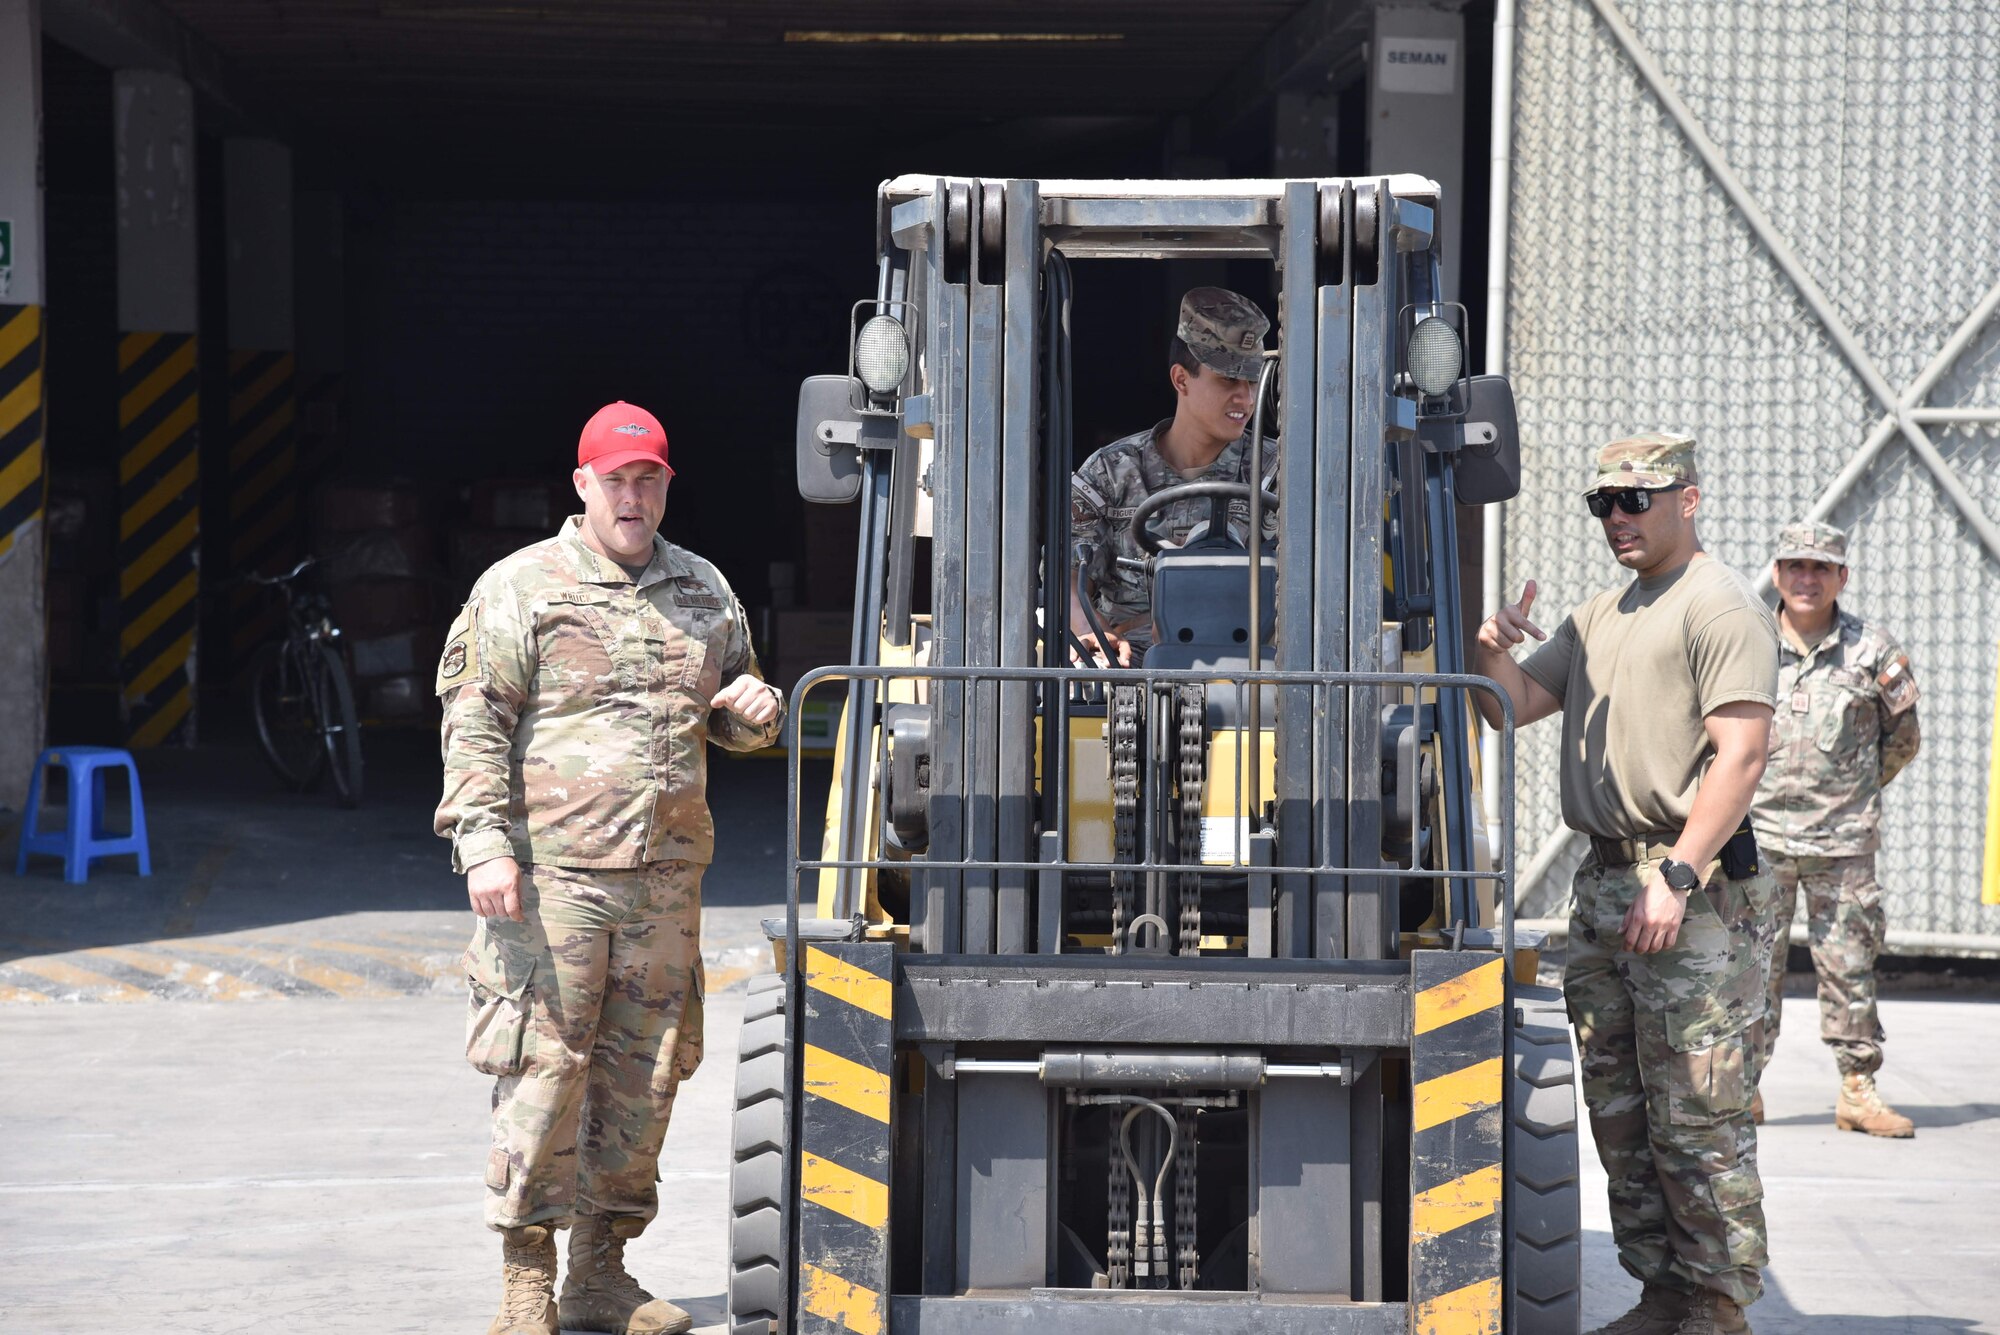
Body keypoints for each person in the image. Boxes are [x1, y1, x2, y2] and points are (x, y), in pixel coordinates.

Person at [435, 400, 784, 1335]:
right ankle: (525, 1284)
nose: (633, 497)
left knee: (645, 1083)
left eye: (649, 480)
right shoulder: (523, 588)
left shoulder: (705, 591)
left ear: (667, 486)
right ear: (583, 485)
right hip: (555, 883)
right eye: (616, 480)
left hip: (666, 885)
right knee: (545, 1076)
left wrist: (756, 713)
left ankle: (601, 1273)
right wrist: (483, 843)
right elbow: (474, 720)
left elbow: (736, 713)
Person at [1473, 433, 1780, 1335]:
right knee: (1621, 1111)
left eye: (1635, 499)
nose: (1617, 517)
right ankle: (1665, 1294)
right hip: (1606, 885)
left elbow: (1743, 753)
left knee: (1697, 1113)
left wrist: (1677, 874)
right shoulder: (1601, 614)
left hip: (1688, 891)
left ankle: (1720, 1309)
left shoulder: (1719, 607)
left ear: (1690, 498)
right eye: (1602, 501)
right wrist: (1490, 648)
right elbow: (1511, 707)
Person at [1749, 521, 1920, 1137]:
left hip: (1843, 844)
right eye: (1795, 565)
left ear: (1842, 577)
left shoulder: (1873, 650)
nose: (1806, 578)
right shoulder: (1747, 640)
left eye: (1821, 568)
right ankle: (1743, 1089)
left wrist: (1850, 792)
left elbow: (1902, 739)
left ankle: (1857, 1089)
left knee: (1850, 967)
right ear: (1777, 574)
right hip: (1758, 840)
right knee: (1748, 968)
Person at [1068, 285, 1280, 665]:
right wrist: (1089, 634)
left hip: (1252, 674)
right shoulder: (1110, 473)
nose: (1246, 400)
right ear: (1181, 379)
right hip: (1127, 672)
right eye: (1228, 381)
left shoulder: (1279, 472)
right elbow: (1069, 579)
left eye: (1252, 382)